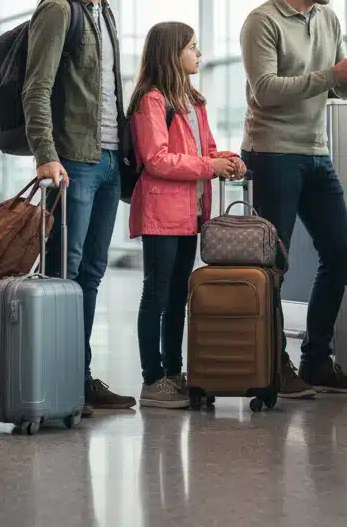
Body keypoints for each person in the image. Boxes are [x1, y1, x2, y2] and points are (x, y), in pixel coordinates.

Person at [240, 0, 347, 399]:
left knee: (341, 254)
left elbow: (339, 92)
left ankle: (317, 360)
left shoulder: (329, 19)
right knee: (274, 264)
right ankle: (274, 363)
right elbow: (265, 89)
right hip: (272, 153)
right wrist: (331, 74)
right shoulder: (262, 21)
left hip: (315, 153)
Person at [22, 0, 138, 412]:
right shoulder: (58, 10)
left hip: (109, 160)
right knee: (62, 272)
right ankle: (53, 379)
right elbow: (37, 88)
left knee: (90, 271)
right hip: (73, 162)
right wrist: (47, 155)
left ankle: (79, 375)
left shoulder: (105, 13)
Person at [127, 22, 245, 409]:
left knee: (179, 295)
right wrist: (211, 167)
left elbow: (207, 150)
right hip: (162, 212)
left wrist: (229, 160)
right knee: (157, 295)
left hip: (192, 212)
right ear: (171, 53)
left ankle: (173, 373)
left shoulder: (194, 101)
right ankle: (151, 379)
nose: (199, 54)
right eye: (192, 47)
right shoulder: (152, 101)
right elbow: (157, 160)